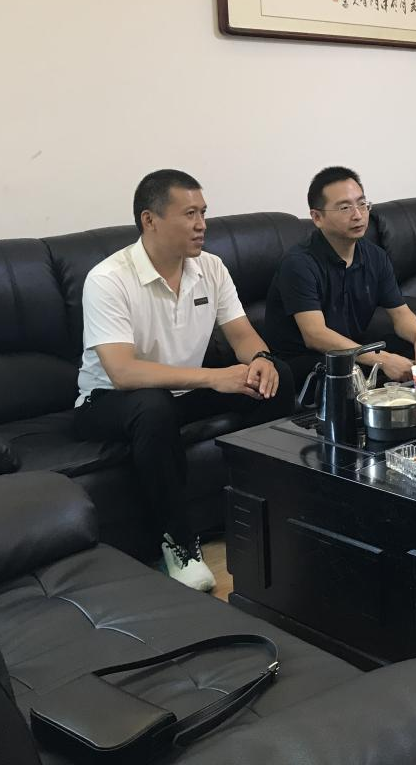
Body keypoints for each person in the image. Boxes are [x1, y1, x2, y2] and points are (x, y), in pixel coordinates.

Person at [73, 169, 292, 592]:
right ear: (149, 220)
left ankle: (271, 508)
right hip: (110, 400)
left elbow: (242, 335)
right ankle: (178, 541)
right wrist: (214, 378)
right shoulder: (108, 279)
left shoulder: (210, 267)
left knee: (276, 378)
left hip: (183, 392)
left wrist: (262, 360)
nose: (201, 224)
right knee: (153, 406)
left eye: (203, 212)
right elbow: (122, 370)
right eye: (189, 214)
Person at [264, 166, 416, 388]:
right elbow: (315, 335)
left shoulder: (375, 256)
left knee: (415, 353)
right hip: (304, 361)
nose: (358, 215)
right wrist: (382, 360)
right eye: (345, 208)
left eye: (362, 204)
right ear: (317, 217)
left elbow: (401, 313)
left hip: (349, 351)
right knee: (350, 370)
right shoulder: (298, 264)